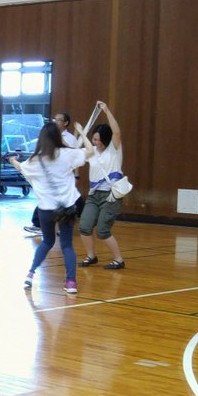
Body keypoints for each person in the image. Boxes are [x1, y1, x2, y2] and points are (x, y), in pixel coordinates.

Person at [9, 121, 93, 293]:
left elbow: (20, 167)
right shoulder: (67, 154)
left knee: (47, 242)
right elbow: (90, 152)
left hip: (46, 209)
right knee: (67, 245)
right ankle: (71, 283)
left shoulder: (34, 161)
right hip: (66, 208)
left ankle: (30, 275)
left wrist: (12, 160)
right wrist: (82, 133)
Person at [79, 101, 126, 270]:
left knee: (103, 231)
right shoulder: (90, 151)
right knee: (84, 227)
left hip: (111, 196)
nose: (96, 142)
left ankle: (119, 260)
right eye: (94, 139)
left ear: (106, 139)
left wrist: (106, 110)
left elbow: (117, 131)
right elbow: (74, 156)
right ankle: (91, 256)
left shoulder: (114, 149)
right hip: (94, 195)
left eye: (99, 139)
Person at [25, 112, 80, 235]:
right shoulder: (49, 135)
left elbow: (75, 157)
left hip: (63, 176)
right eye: (54, 119)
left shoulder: (70, 138)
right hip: (49, 175)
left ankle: (61, 226)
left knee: (60, 202)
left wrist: (76, 175)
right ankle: (39, 225)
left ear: (66, 123)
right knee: (46, 200)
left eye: (59, 120)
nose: (55, 121)